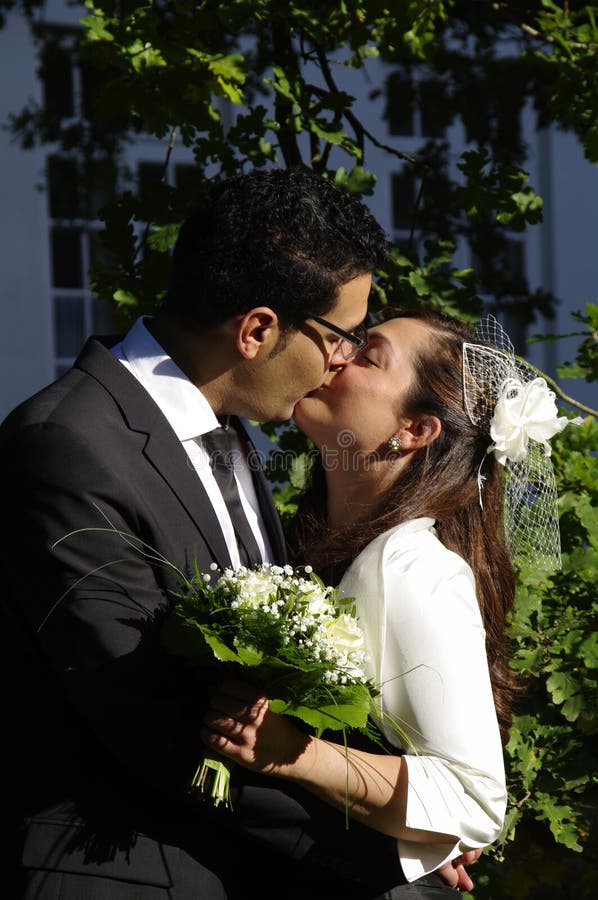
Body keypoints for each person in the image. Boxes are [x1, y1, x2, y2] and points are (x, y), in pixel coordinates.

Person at [0, 171, 472, 899]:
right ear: (255, 330)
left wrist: (401, 809)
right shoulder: (69, 445)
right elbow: (152, 725)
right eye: (339, 336)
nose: (341, 361)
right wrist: (392, 854)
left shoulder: (232, 436)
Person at [199, 308, 528, 890]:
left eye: (367, 355)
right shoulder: (309, 542)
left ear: (414, 430)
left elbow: (475, 799)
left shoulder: (415, 565)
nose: (337, 355)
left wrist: (295, 753)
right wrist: (410, 821)